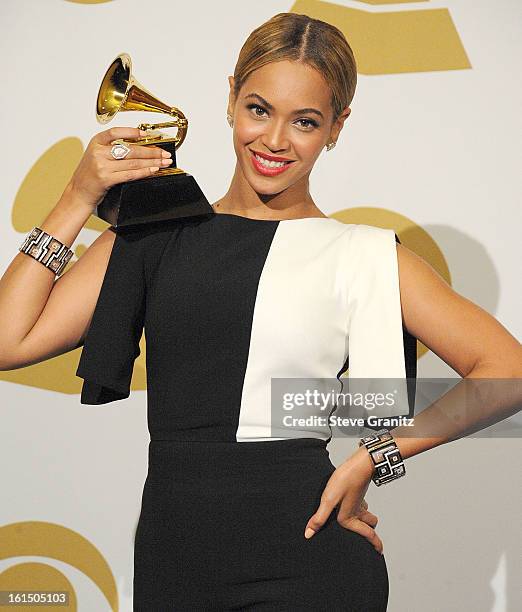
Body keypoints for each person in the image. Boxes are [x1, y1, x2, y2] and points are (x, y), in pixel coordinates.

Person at [1, 12, 520, 612]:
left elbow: (507, 371)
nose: (275, 141)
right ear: (229, 99)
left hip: (309, 562)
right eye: (258, 109)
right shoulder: (157, 234)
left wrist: (378, 455)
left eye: (305, 122)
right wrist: (78, 197)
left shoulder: (361, 253)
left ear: (336, 127)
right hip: (174, 565)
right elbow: (11, 340)